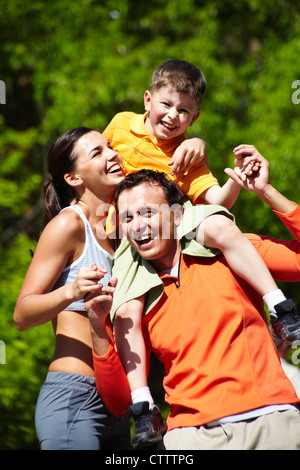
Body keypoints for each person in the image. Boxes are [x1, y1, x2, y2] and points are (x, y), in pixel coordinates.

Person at [102, 59, 300, 446]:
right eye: (167, 105)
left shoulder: (194, 174)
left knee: (221, 224)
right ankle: (144, 407)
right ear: (147, 99)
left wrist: (257, 188)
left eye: (184, 112)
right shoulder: (120, 126)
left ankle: (280, 307)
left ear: (194, 118)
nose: (173, 116)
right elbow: (94, 162)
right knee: (124, 308)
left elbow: (216, 202)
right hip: (190, 434)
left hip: (268, 416)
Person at [13, 127, 131, 450]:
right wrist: (71, 291)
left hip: (119, 405)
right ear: (73, 178)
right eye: (98, 153)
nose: (113, 155)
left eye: (110, 147)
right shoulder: (69, 225)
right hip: (74, 396)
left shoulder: (125, 230)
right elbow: (22, 314)